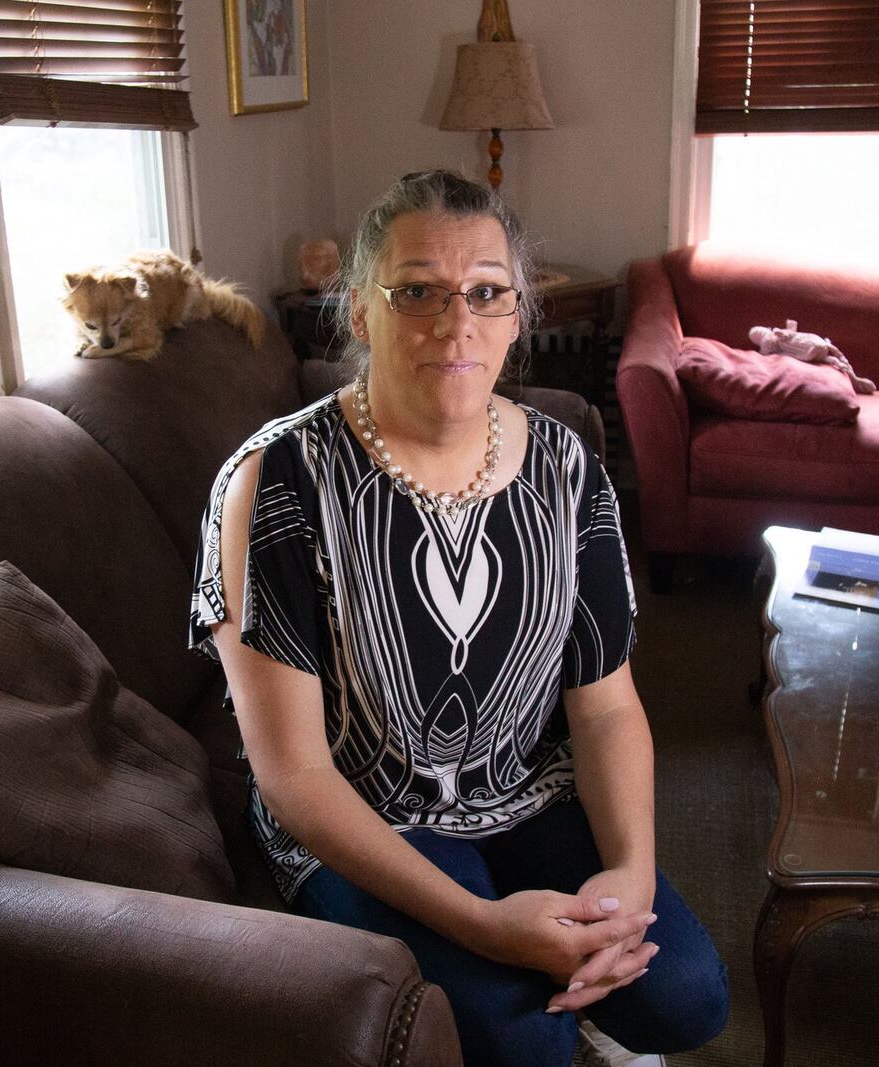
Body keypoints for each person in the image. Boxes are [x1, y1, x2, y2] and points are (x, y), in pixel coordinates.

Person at [190, 170, 726, 1067]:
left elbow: (603, 706)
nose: (456, 320)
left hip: (526, 784)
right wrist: (482, 926)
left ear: (519, 315)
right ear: (360, 311)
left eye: (485, 291)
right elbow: (292, 776)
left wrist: (629, 874)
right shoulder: (275, 484)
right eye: (417, 292)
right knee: (524, 1045)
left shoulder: (566, 467)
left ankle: (573, 1003)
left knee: (688, 999)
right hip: (362, 812)